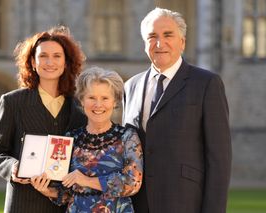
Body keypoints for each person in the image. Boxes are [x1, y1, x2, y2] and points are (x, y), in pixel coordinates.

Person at [122, 7, 232, 213]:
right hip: (137, 205)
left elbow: (219, 159)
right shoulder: (131, 87)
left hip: (185, 202)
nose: (159, 43)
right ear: (145, 44)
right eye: (152, 36)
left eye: (168, 35)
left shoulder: (207, 83)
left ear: (182, 42)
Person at [0, 26, 87, 213]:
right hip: (23, 204)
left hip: (66, 205)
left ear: (66, 62)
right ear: (32, 62)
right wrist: (13, 167)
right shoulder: (12, 102)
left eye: (57, 56)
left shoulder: (79, 108)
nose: (50, 62)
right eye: (43, 56)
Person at [31, 67, 143, 212]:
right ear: (82, 101)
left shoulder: (128, 136)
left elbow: (132, 183)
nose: (98, 104)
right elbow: (66, 193)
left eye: (105, 98)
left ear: (114, 102)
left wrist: (86, 180)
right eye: (91, 98)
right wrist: (46, 190)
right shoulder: (70, 139)